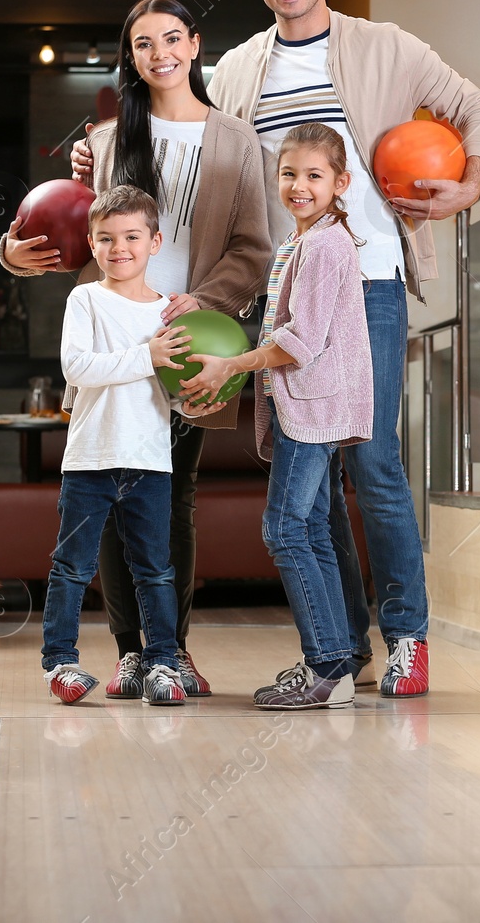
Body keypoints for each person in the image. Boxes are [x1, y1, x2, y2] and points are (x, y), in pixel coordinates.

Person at [72, 0, 480, 697]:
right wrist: (91, 150)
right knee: (308, 463)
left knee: (371, 463)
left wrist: (469, 184)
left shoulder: (387, 47)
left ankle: (407, 636)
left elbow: (478, 109)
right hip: (286, 286)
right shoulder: (237, 68)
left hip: (366, 281)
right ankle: (341, 646)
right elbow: (179, 126)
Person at [4, 0, 272, 700]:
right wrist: (10, 249)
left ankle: (170, 650)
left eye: (172, 39)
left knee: (170, 497)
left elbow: (255, 246)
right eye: (143, 43)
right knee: (123, 499)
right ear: (131, 55)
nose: (160, 54)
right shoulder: (105, 136)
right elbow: (64, 220)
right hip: (120, 338)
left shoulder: (237, 139)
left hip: (194, 340)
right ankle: (131, 652)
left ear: (195, 44)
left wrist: (206, 300)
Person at [183, 123, 373, 709]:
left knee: (286, 528)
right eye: (289, 174)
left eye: (314, 176)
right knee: (310, 528)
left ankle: (325, 666)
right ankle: (336, 662)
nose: (299, 185)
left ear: (340, 183)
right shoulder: (305, 240)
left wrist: (229, 366)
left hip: (312, 408)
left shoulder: (324, 244)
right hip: (306, 405)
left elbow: (301, 340)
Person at [40, 185, 225, 705]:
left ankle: (163, 663)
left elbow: (169, 392)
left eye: (131, 236)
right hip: (90, 460)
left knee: (156, 570)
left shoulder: (171, 314)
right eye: (106, 238)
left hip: (149, 462)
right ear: (92, 244)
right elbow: (77, 368)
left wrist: (192, 404)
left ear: (155, 241)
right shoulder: (86, 299)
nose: (119, 248)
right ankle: (60, 664)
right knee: (72, 566)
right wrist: (147, 356)